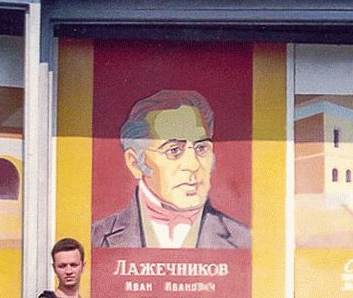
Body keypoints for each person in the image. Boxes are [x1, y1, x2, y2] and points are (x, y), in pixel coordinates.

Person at [91, 89, 251, 249]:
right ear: (135, 163)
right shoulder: (96, 238)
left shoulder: (244, 240)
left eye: (201, 148)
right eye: (174, 150)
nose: (193, 165)